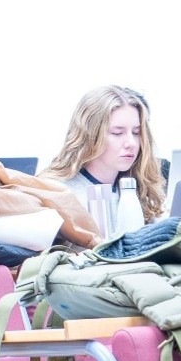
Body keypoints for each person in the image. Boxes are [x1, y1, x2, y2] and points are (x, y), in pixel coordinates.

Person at [40, 85, 163, 243]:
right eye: (117, 133)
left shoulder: (141, 191)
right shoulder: (56, 192)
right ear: (90, 135)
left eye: (136, 132)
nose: (131, 143)